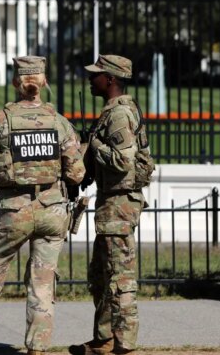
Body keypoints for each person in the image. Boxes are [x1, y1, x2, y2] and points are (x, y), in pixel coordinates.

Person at [0, 56, 85, 355]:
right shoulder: (58, 121)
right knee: (42, 284)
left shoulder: (1, 120)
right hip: (52, 210)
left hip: (14, 211)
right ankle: (37, 348)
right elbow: (77, 172)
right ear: (43, 83)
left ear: (16, 83)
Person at [71, 55, 147, 355]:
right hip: (109, 204)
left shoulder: (119, 115)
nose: (91, 80)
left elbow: (123, 160)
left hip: (119, 205)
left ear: (111, 79)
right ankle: (104, 339)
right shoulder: (112, 111)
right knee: (100, 276)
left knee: (120, 277)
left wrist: (94, 144)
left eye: (96, 76)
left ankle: (124, 343)